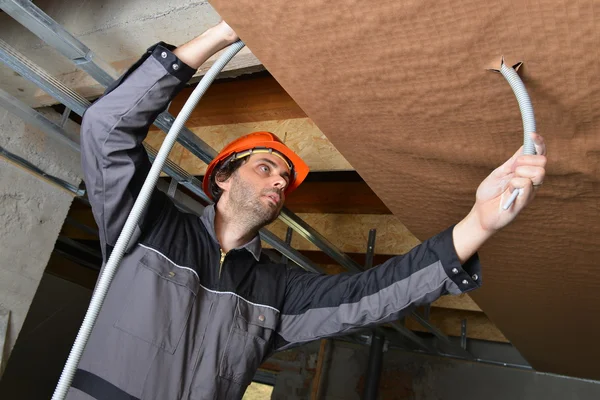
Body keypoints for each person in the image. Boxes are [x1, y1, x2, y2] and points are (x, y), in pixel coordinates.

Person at [70, 21, 547, 400]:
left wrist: (478, 224)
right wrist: (222, 33)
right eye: (264, 168)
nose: (280, 181)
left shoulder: (278, 291)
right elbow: (106, 128)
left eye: (285, 179)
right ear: (221, 177)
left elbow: (371, 295)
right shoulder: (145, 228)